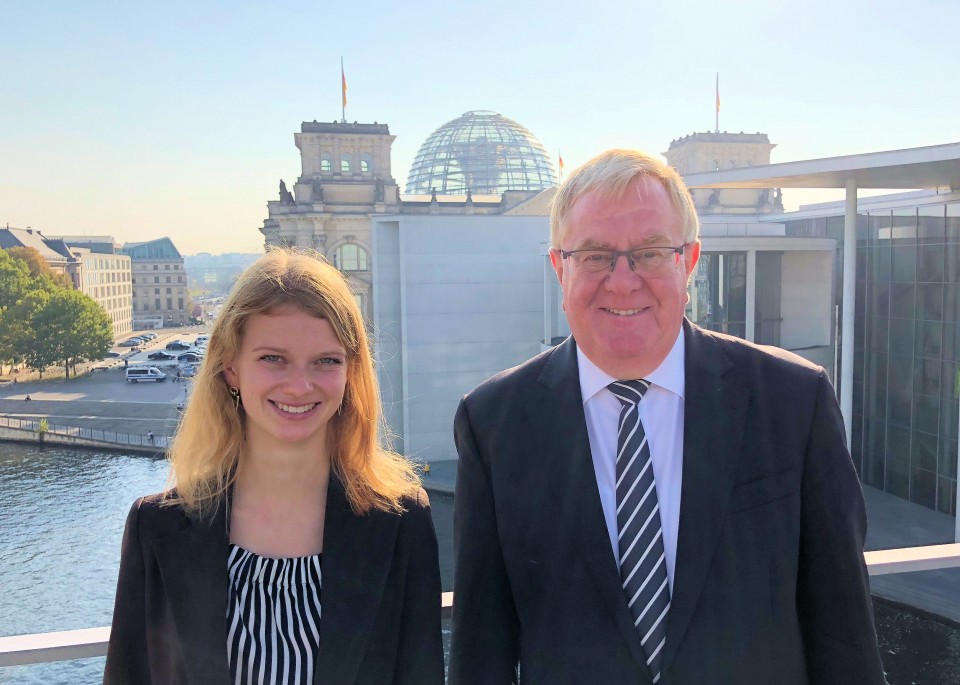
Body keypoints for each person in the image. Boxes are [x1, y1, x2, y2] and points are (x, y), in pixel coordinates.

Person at [450, 149, 885, 684]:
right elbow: (481, 648)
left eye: (651, 252)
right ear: (559, 267)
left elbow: (843, 629)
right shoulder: (493, 422)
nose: (623, 280)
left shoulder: (793, 401)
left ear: (690, 260)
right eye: (594, 255)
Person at [105, 250, 444, 684]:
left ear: (350, 373)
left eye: (326, 360)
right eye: (273, 359)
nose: (300, 386)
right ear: (230, 368)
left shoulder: (401, 522)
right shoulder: (156, 527)